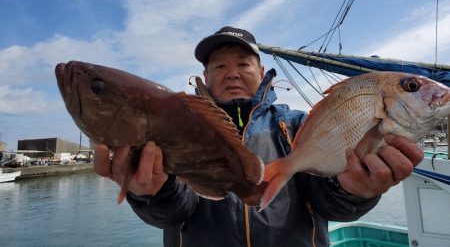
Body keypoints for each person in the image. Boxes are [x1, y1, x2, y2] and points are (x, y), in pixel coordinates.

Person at [94, 26, 424, 247]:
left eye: (243, 64)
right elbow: (172, 213)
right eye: (220, 67)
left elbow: (331, 204)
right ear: (206, 77)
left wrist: (357, 192)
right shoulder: (176, 131)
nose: (232, 73)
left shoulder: (298, 126)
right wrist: (152, 194)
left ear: (262, 73)